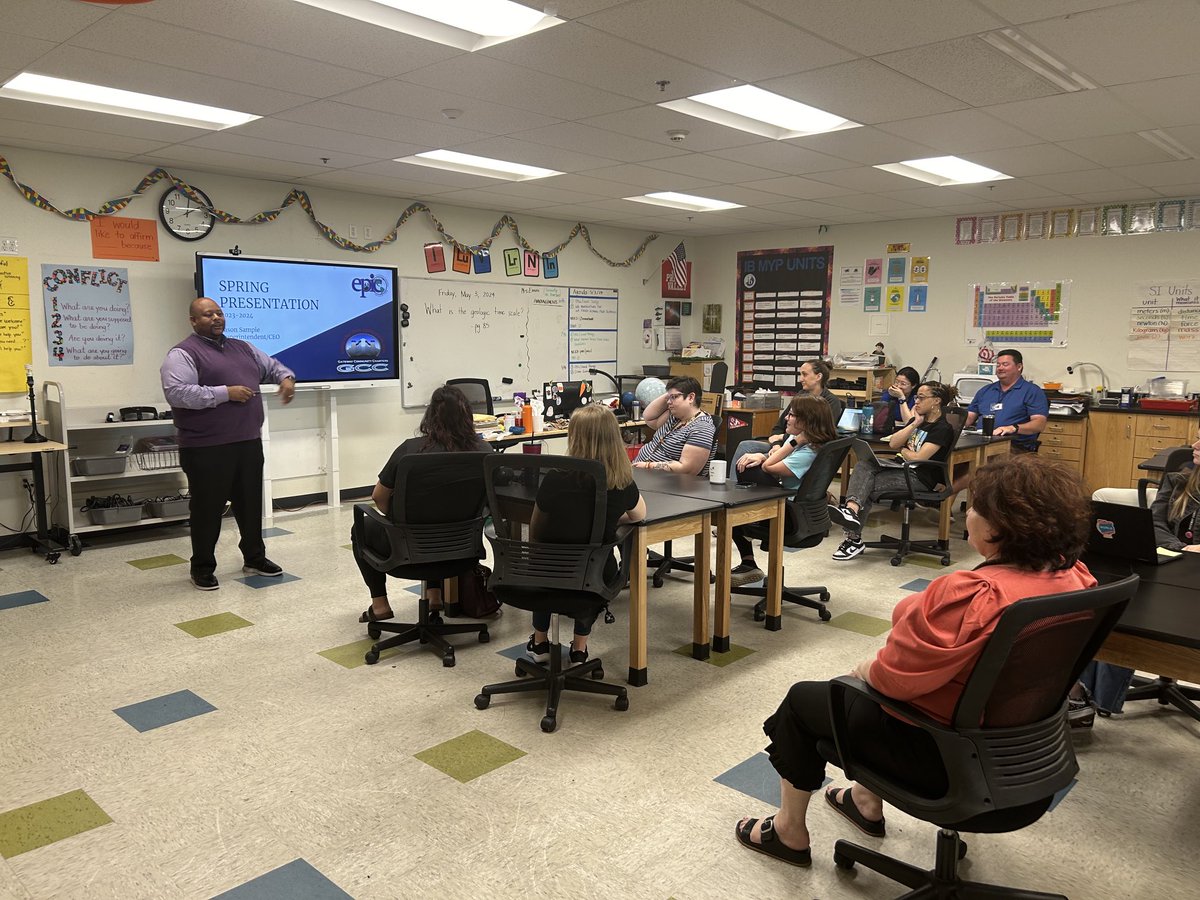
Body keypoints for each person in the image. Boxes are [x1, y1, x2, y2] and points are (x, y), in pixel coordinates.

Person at [734, 455, 1096, 868]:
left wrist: (865, 668)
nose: (968, 514)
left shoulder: (972, 594)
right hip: (1030, 761)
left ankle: (787, 832)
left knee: (805, 700)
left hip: (945, 763)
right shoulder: (1078, 579)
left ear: (997, 527)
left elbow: (893, 683)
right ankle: (865, 799)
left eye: (973, 507)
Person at [161, 297, 295, 591]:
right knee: (207, 509)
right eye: (207, 315)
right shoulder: (182, 354)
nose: (216, 318)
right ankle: (203, 567)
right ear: (194, 321)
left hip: (247, 441)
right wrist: (225, 393)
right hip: (206, 447)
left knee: (249, 504)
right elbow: (178, 393)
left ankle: (255, 558)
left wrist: (285, 378)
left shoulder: (243, 347)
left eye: (219, 313)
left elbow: (272, 366)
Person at [1075, 432, 1200, 721]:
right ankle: (1090, 696)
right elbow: (1155, 522)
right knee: (1115, 602)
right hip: (1173, 563)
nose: (1193, 446)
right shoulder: (1180, 479)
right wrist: (1182, 548)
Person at [352, 385, 490, 624]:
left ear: (430, 416)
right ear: (468, 416)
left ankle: (380, 604)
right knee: (440, 516)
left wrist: (396, 521)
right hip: (460, 553)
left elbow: (378, 497)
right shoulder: (484, 451)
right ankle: (434, 597)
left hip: (407, 552)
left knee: (361, 528)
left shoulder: (410, 450)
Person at [528, 403, 647, 663]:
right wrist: (609, 519)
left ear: (574, 436)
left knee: (543, 564)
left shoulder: (555, 478)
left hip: (549, 571)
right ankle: (579, 648)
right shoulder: (621, 482)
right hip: (595, 573)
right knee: (590, 567)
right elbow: (639, 515)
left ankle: (539, 642)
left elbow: (535, 530)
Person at [827, 382, 958, 561]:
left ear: (936, 401)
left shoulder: (942, 428)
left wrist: (905, 451)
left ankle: (853, 539)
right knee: (863, 464)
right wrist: (913, 425)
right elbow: (893, 444)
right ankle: (851, 511)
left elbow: (918, 457)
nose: (916, 401)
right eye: (916, 397)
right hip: (900, 469)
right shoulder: (918, 421)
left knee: (868, 486)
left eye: (921, 397)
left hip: (919, 478)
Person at [729, 395, 837, 586]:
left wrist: (794, 441)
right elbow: (771, 459)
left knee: (735, 503)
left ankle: (748, 562)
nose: (786, 418)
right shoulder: (813, 444)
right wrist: (765, 455)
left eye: (792, 415)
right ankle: (748, 563)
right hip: (798, 510)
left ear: (806, 421)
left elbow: (769, 467)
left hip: (791, 516)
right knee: (740, 495)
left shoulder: (806, 451)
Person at [730, 359, 845, 472]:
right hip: (786, 444)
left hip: (800, 448)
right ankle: (734, 486)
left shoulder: (830, 402)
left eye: (804, 374)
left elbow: (816, 434)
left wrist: (781, 438)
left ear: (818, 376)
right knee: (745, 446)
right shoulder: (800, 396)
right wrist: (776, 445)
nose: (800, 379)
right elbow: (778, 428)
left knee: (751, 456)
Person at [964, 349, 1048, 452]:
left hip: (1013, 447)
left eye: (1005, 364)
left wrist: (1012, 428)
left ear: (1019, 367)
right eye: (998, 365)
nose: (1000, 368)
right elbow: (969, 417)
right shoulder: (985, 390)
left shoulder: (1032, 391)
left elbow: (1039, 424)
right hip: (980, 443)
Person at [632, 375, 715, 476]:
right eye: (668, 397)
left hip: (663, 482)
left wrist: (647, 466)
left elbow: (687, 469)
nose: (668, 402)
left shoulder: (702, 428)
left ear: (691, 397)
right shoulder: (675, 417)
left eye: (674, 397)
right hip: (642, 474)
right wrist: (671, 393)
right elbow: (648, 418)